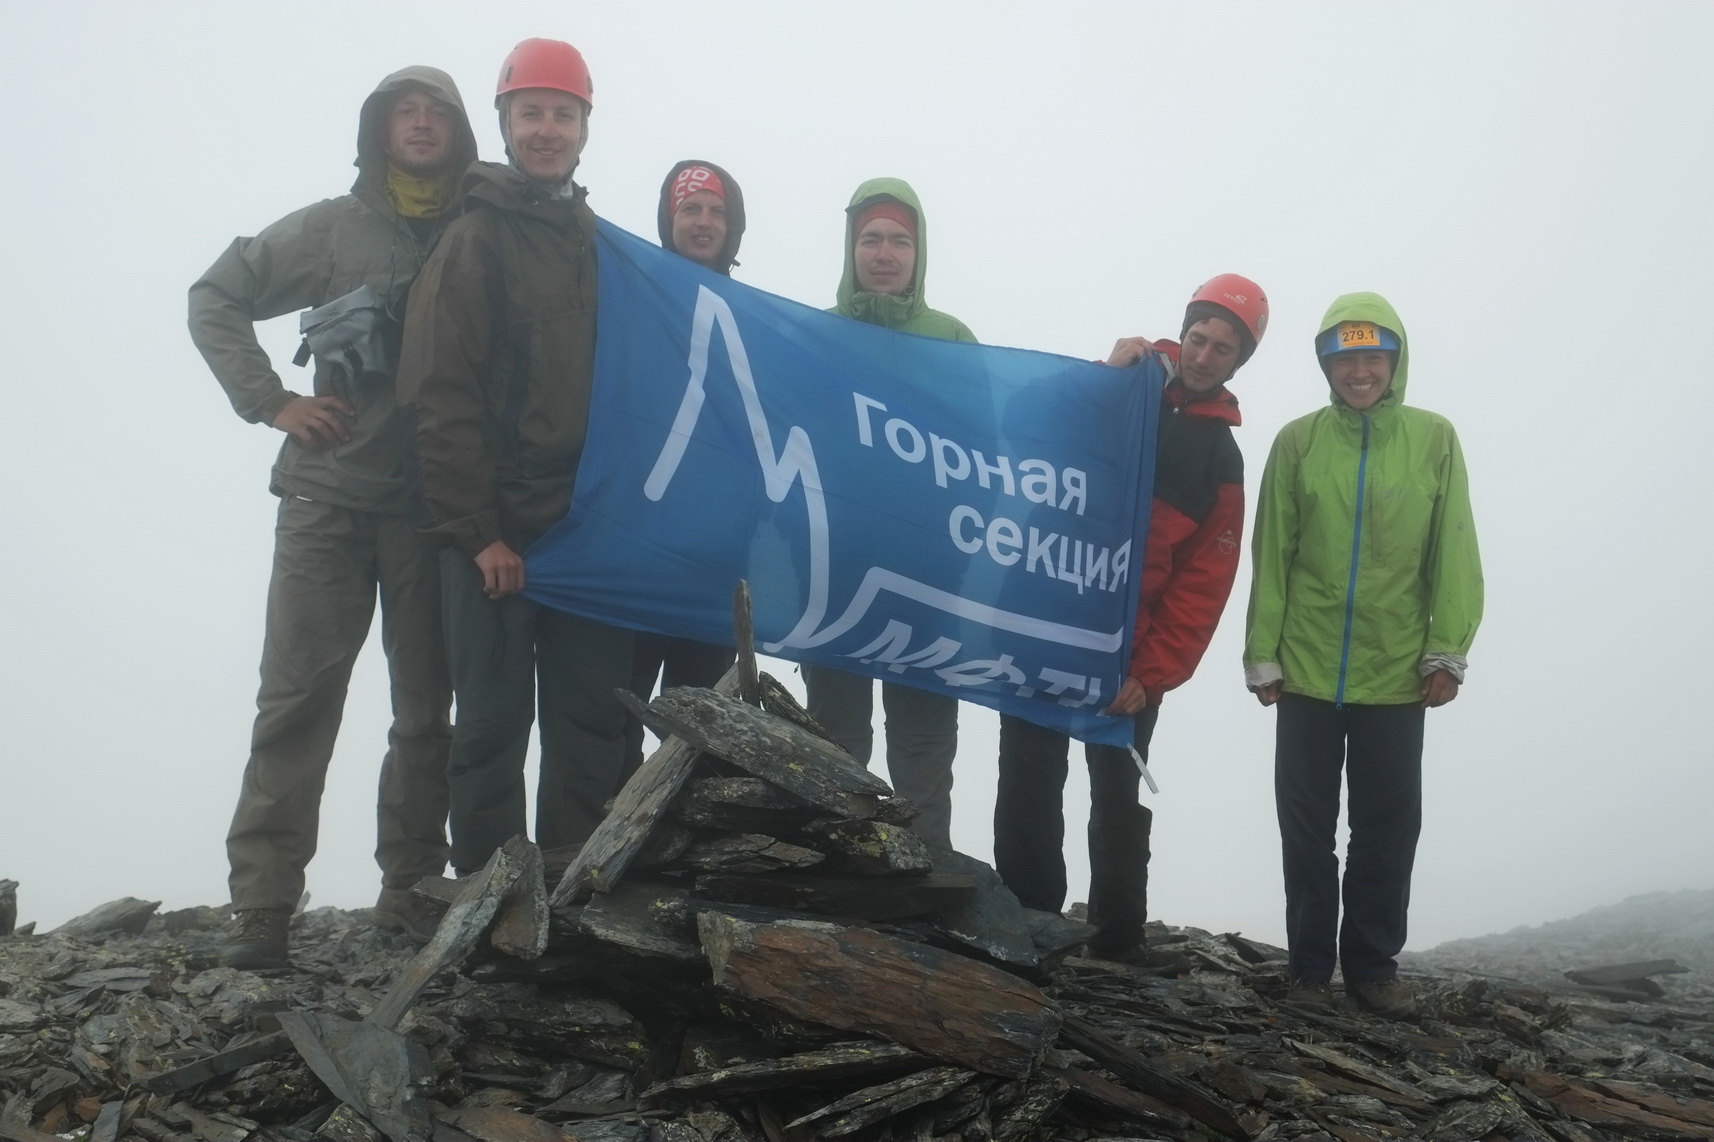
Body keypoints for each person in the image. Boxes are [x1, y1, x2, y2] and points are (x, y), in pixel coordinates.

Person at [189, 67, 478, 969]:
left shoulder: (481, 234)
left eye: (437, 114)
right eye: (406, 111)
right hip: (328, 501)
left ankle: (410, 893)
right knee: (298, 702)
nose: (421, 124)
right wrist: (273, 401)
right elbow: (216, 296)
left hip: (432, 513)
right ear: (380, 128)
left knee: (428, 710)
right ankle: (264, 912)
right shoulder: (329, 227)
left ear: (459, 132)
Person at [396, 39, 634, 876]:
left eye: (561, 114)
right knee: (492, 728)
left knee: (594, 730)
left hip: (583, 536)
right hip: (496, 541)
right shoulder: (474, 239)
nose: (546, 129)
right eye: (530, 113)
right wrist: (477, 530)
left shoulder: (601, 246)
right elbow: (439, 394)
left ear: (584, 128)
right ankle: (492, 907)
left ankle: (576, 902)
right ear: (504, 123)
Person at [993, 276, 1267, 966]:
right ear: (1185, 330)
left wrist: (1151, 672)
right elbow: (1019, 418)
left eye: (1222, 349)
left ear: (1240, 361)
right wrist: (1098, 375)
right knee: (1028, 777)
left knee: (1118, 794)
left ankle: (1117, 941)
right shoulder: (1122, 386)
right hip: (1044, 621)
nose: (1204, 357)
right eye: (1198, 339)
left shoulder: (1221, 458)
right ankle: (1030, 927)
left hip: (1130, 656)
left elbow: (1205, 580)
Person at [1244, 292, 1482, 1018]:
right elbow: (1273, 555)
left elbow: (1455, 550)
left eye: (1373, 355)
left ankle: (1373, 967)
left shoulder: (1434, 439)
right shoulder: (1297, 442)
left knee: (1387, 825)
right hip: (1309, 668)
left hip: (1397, 672)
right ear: (1327, 363)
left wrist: (1448, 648)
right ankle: (1310, 967)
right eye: (1345, 357)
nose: (1360, 370)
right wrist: (1263, 651)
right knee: (1307, 826)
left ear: (1395, 360)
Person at [802, 179, 976, 851]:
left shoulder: (952, 337)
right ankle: (842, 870)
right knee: (836, 735)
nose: (884, 253)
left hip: (928, 571)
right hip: (837, 568)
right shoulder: (814, 333)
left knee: (924, 736)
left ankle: (923, 870)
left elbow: (984, 453)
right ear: (852, 249)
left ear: (918, 251)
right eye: (870, 239)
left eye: (899, 240)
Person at [622, 161, 748, 774]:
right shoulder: (632, 296)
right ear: (669, 218)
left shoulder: (754, 321)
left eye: (715, 211)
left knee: (705, 737)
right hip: (634, 556)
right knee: (617, 724)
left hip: (714, 567)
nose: (703, 222)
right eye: (690, 208)